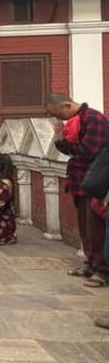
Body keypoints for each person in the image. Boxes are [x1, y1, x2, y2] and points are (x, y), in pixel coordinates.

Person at [46, 93, 109, 287]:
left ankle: (103, 271)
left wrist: (67, 143)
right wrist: (60, 137)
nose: (59, 118)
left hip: (97, 182)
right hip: (81, 181)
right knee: (85, 226)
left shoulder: (93, 119)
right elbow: (70, 150)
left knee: (96, 227)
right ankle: (91, 264)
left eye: (58, 114)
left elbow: (88, 151)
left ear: (67, 105)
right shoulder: (76, 121)